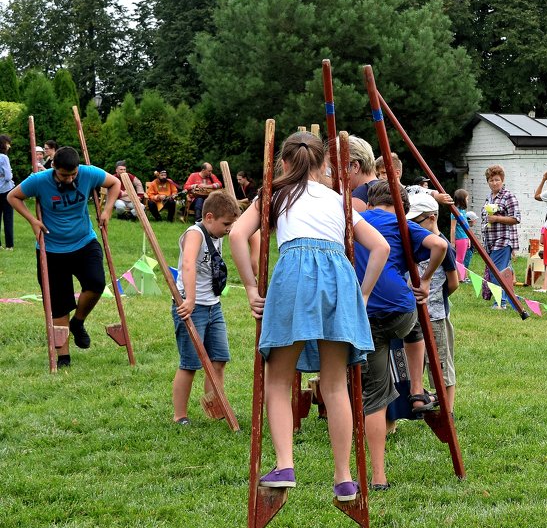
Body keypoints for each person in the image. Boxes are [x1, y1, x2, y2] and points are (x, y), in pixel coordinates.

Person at [228, 131, 389, 502]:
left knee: (279, 380)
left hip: (295, 276)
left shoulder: (274, 193)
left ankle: (285, 463)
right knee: (335, 385)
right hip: (339, 279)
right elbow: (379, 246)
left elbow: (237, 235)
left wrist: (252, 288)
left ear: (284, 163)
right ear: (324, 165)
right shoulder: (339, 200)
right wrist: (361, 295)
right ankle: (344, 476)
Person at [355, 181, 443, 490]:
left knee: (375, 396)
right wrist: (427, 278)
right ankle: (417, 391)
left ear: (371, 202)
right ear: (402, 205)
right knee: (415, 326)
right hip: (399, 308)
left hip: (362, 312)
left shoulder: (356, 221)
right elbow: (441, 246)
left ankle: (378, 477)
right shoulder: (401, 223)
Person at [7, 146, 122, 368]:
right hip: (51, 249)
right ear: (54, 168)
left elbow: (115, 183)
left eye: (73, 174)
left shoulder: (88, 173)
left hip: (84, 242)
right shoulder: (39, 180)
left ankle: (77, 323)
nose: (69, 179)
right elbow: (13, 196)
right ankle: (64, 358)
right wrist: (32, 220)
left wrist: (107, 210)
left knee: (96, 284)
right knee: (59, 304)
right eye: (64, 175)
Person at [171, 191, 240, 425]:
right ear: (209, 217)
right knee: (190, 364)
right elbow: (188, 263)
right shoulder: (195, 233)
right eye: (226, 224)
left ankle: (215, 408)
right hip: (192, 308)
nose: (229, 229)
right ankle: (180, 415)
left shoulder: (217, 232)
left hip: (213, 306)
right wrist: (189, 299)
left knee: (219, 360)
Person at [407, 191, 461, 410]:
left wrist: (436, 297)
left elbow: (453, 282)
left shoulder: (443, 245)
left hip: (437, 316)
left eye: (416, 222)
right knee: (414, 361)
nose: (412, 227)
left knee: (440, 364)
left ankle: (447, 411)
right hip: (412, 314)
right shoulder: (415, 242)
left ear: (432, 218)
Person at [481, 164, 520, 309]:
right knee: (498, 270)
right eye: (491, 180)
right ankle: (505, 299)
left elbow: (516, 218)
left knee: (497, 271)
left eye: (497, 179)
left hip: (503, 240)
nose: (494, 183)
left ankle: (500, 303)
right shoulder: (489, 197)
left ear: (502, 180)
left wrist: (497, 219)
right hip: (490, 241)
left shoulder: (508, 196)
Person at [452, 188, 476, 278]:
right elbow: (452, 228)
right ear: (462, 200)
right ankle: (459, 278)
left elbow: (467, 227)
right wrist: (453, 242)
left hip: (465, 238)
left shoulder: (463, 212)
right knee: (459, 259)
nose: (468, 201)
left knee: (463, 259)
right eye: (467, 199)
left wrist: (469, 238)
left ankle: (463, 277)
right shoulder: (455, 212)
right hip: (460, 239)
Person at [0, 135, 14, 250]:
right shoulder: (4, 157)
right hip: (6, 190)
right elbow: (8, 177)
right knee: (8, 217)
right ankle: (9, 245)